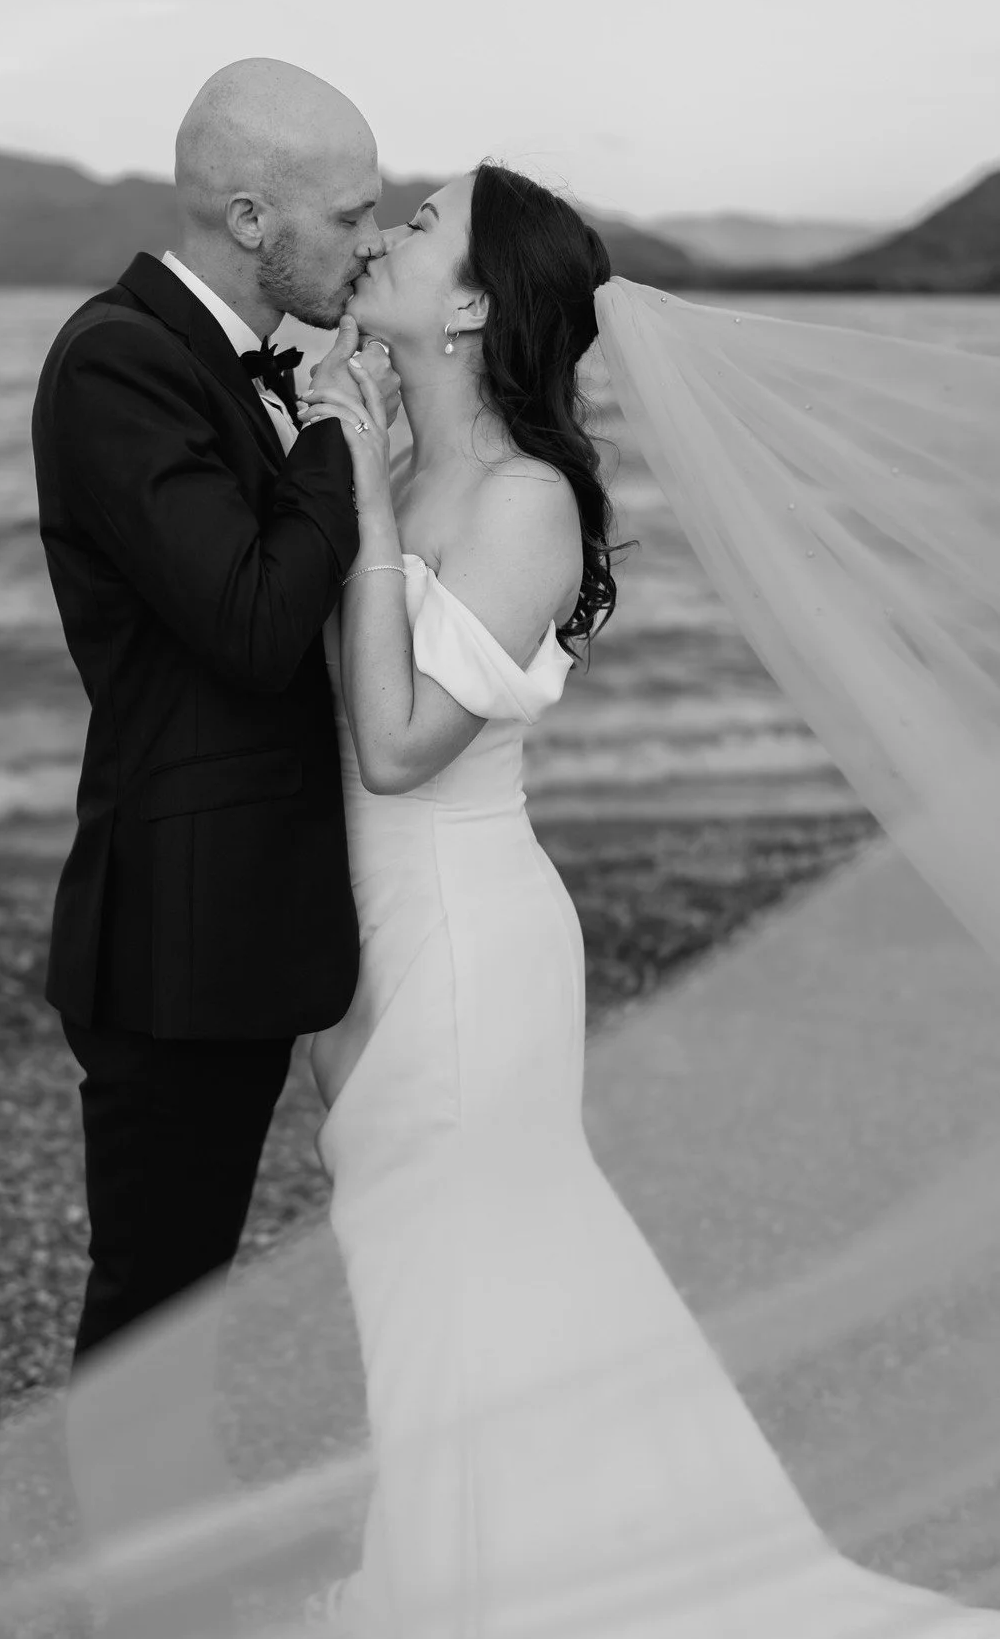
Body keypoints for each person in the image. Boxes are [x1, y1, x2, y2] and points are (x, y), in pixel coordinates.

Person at [292, 161, 1000, 1635]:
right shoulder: (405, 462)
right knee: (425, 1281)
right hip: (374, 933)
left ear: (475, 298)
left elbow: (401, 744)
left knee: (466, 1285)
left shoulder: (526, 501)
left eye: (421, 224)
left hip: (467, 944)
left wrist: (354, 502)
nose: (385, 233)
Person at [31, 57, 399, 1374]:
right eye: (350, 213)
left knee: (191, 1289)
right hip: (174, 933)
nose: (369, 238)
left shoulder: (228, 363)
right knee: (157, 1304)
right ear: (253, 220)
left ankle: (168, 1557)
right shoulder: (119, 364)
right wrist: (336, 439)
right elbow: (248, 624)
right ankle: (142, 1586)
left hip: (236, 917)